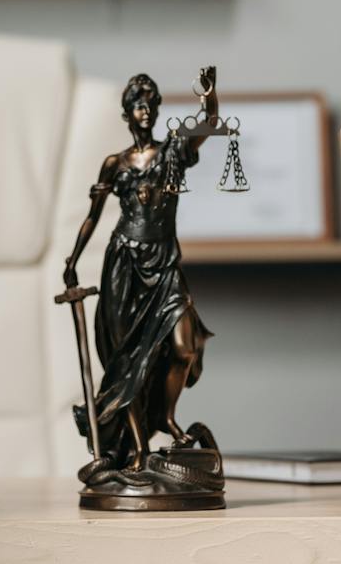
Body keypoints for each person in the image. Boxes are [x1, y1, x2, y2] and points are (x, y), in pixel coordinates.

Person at [61, 70, 216, 481]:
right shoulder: (115, 164)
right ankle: (138, 449)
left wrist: (209, 98)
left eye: (150, 103)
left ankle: (166, 417)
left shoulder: (173, 152)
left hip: (163, 264)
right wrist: (73, 259)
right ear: (127, 114)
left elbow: (208, 125)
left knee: (184, 346)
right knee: (129, 362)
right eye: (138, 105)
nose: (145, 110)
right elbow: (93, 216)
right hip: (124, 266)